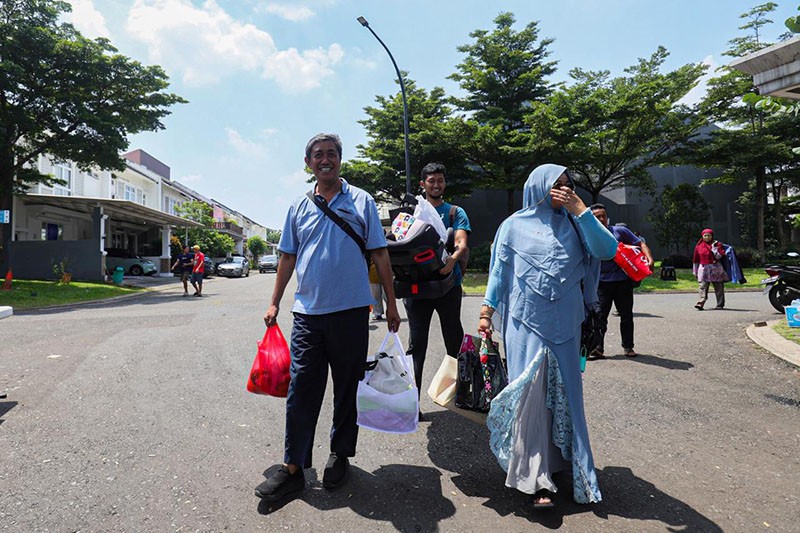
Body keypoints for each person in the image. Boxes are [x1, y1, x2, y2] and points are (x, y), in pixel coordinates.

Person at [255, 133, 400, 502]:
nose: (325, 160)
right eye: (318, 155)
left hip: (352, 313)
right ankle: (293, 467)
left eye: (331, 154)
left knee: (347, 388)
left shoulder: (362, 201)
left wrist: (393, 305)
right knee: (302, 390)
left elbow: (381, 255)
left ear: (340, 160)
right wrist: (274, 302)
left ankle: (340, 455)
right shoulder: (298, 207)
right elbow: (287, 257)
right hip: (308, 314)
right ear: (309, 163)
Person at [478, 164, 617, 509]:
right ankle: (537, 477)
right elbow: (499, 270)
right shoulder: (512, 226)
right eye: (557, 185)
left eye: (569, 186)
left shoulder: (578, 224)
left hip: (566, 323)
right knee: (532, 396)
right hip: (526, 322)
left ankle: (566, 466)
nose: (564, 191)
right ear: (539, 187)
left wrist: (581, 211)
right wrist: (486, 312)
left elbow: (607, 250)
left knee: (568, 396)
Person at [404, 162, 470, 416]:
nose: (436, 184)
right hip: (417, 287)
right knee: (416, 346)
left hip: (447, 285)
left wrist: (452, 260)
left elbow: (461, 242)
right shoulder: (413, 211)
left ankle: (460, 396)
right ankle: (412, 405)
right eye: (431, 181)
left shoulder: (454, 212)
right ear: (423, 184)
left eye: (440, 180)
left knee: (454, 341)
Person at [590, 204, 653, 358]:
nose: (601, 219)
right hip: (601, 283)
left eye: (603, 215)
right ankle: (597, 348)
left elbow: (640, 243)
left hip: (623, 281)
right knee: (599, 317)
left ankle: (628, 347)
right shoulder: (590, 235)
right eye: (597, 216)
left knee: (626, 315)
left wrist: (649, 258)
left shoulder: (620, 231)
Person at [692, 228, 727, 310]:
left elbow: (720, 256)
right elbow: (695, 260)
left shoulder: (717, 244)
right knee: (702, 286)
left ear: (712, 236)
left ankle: (720, 304)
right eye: (705, 236)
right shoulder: (699, 246)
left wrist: (714, 249)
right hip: (703, 269)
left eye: (709, 236)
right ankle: (701, 302)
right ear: (702, 236)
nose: (707, 237)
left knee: (718, 287)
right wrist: (695, 271)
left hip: (715, 268)